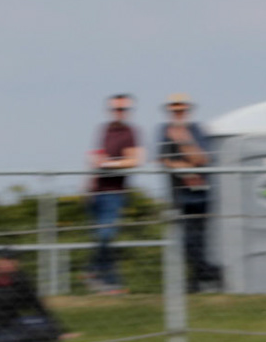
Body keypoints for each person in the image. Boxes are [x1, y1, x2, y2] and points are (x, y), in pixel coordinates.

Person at [157, 93, 225, 292]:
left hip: (199, 196)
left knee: (197, 241)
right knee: (187, 243)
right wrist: (187, 169)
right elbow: (164, 160)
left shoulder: (196, 130)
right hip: (179, 196)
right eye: (174, 110)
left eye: (181, 110)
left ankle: (203, 278)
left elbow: (202, 159)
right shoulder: (163, 131)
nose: (178, 113)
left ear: (188, 110)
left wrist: (183, 140)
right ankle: (205, 276)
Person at [84, 94, 141, 294]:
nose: (119, 113)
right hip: (96, 191)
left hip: (114, 192)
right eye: (116, 109)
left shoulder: (130, 132)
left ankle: (93, 271)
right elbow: (96, 156)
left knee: (106, 236)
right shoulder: (104, 130)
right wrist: (89, 183)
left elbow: (134, 160)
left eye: (123, 109)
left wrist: (108, 164)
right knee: (102, 239)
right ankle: (109, 282)